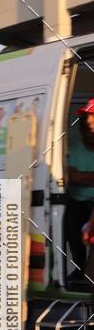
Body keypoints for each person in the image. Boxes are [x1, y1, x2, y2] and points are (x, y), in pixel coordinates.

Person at [65, 99, 94, 282]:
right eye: (86, 123)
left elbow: (79, 177)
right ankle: (79, 270)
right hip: (79, 201)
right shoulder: (75, 147)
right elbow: (73, 177)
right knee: (72, 230)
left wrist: (85, 177)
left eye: (92, 122)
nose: (88, 126)